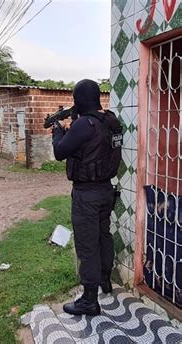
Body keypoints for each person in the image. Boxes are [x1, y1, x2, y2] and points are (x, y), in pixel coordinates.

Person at [52, 79, 122, 316]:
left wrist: (58, 132)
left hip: (87, 194)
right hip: (106, 191)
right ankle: (105, 280)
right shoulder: (111, 122)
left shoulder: (84, 124)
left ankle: (89, 300)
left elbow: (60, 152)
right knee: (104, 236)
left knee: (87, 244)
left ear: (78, 100)